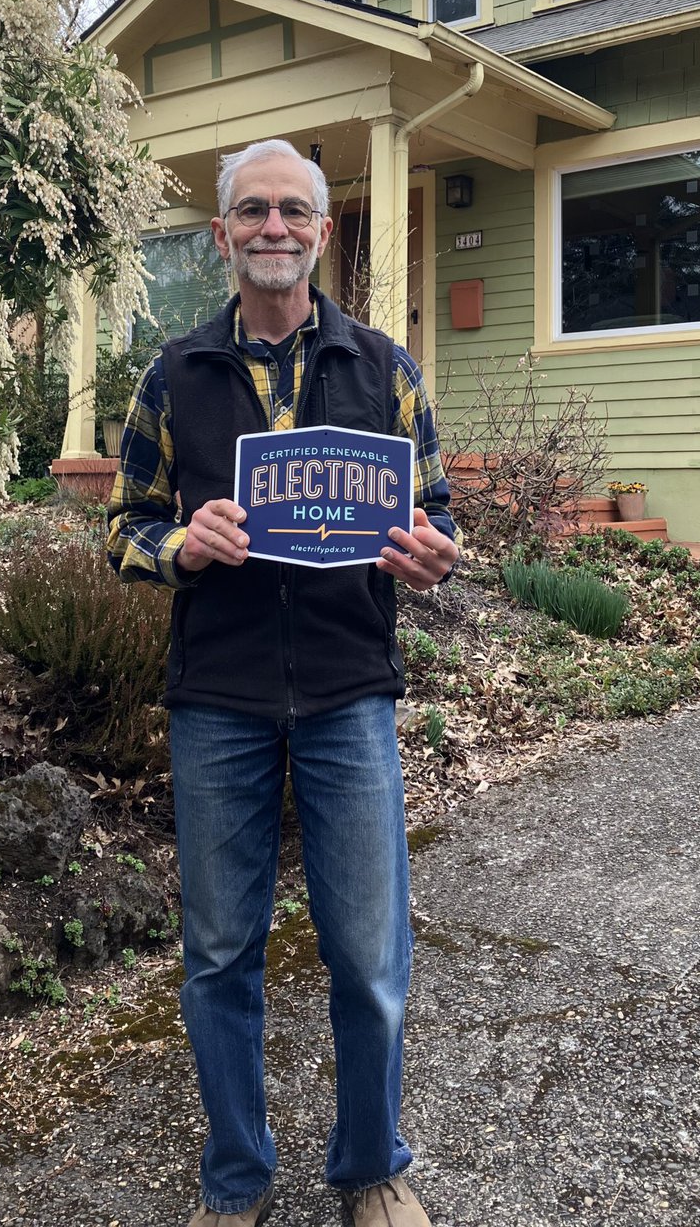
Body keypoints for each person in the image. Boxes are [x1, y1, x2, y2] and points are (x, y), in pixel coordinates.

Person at [108, 138, 458, 1227]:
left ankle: (371, 1169)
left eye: (292, 210)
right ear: (222, 234)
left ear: (321, 229)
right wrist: (182, 547)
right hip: (219, 697)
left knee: (369, 951)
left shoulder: (382, 369)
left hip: (351, 691)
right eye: (251, 211)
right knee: (219, 954)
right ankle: (236, 1178)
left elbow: (438, 512)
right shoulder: (175, 376)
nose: (273, 227)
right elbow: (123, 528)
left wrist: (437, 550)